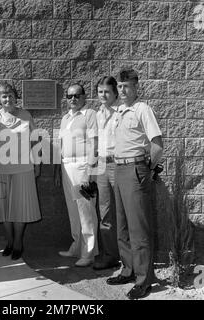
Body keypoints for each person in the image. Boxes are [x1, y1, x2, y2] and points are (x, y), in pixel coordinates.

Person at [106, 69, 163, 300]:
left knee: (139, 229)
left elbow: (157, 145)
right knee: (122, 227)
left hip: (135, 170)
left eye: (127, 86)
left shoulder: (142, 109)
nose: (122, 90)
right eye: (120, 86)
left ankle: (144, 280)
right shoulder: (119, 111)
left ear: (136, 87)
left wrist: (147, 169)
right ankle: (128, 270)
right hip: (119, 169)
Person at [0, 83, 41, 260]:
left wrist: (37, 164)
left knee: (20, 208)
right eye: (3, 96)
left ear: (15, 97)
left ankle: (18, 243)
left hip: (23, 170)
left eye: (10, 95)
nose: (7, 99)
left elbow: (35, 141)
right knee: (4, 210)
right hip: (1, 171)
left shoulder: (25, 115)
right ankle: (9, 242)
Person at [54, 84, 98, 267]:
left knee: (86, 211)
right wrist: (57, 169)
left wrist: (90, 171)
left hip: (82, 166)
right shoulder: (65, 118)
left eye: (77, 95)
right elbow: (60, 145)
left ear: (84, 96)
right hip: (66, 166)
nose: (73, 99)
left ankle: (89, 253)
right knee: (73, 211)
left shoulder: (90, 115)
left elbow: (95, 144)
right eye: (70, 96)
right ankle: (77, 246)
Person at [93, 76, 120, 270]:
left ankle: (129, 258)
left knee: (124, 212)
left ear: (115, 93)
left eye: (107, 91)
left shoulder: (122, 113)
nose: (103, 95)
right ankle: (110, 256)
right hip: (102, 166)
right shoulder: (97, 114)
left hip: (119, 165)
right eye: (100, 91)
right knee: (105, 213)